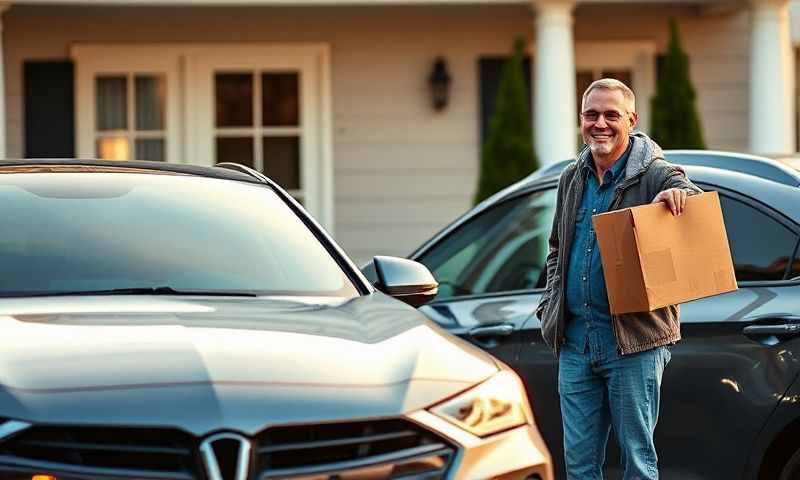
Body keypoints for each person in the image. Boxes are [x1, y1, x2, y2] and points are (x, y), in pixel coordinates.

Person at [535, 78, 701, 480]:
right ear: (581, 120)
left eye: (612, 115)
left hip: (633, 343)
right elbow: (557, 248)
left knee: (637, 464)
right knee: (578, 467)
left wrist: (679, 196)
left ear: (632, 119)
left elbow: (692, 198)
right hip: (576, 343)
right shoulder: (571, 179)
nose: (601, 124)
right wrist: (549, 308)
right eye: (592, 115)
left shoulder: (654, 174)